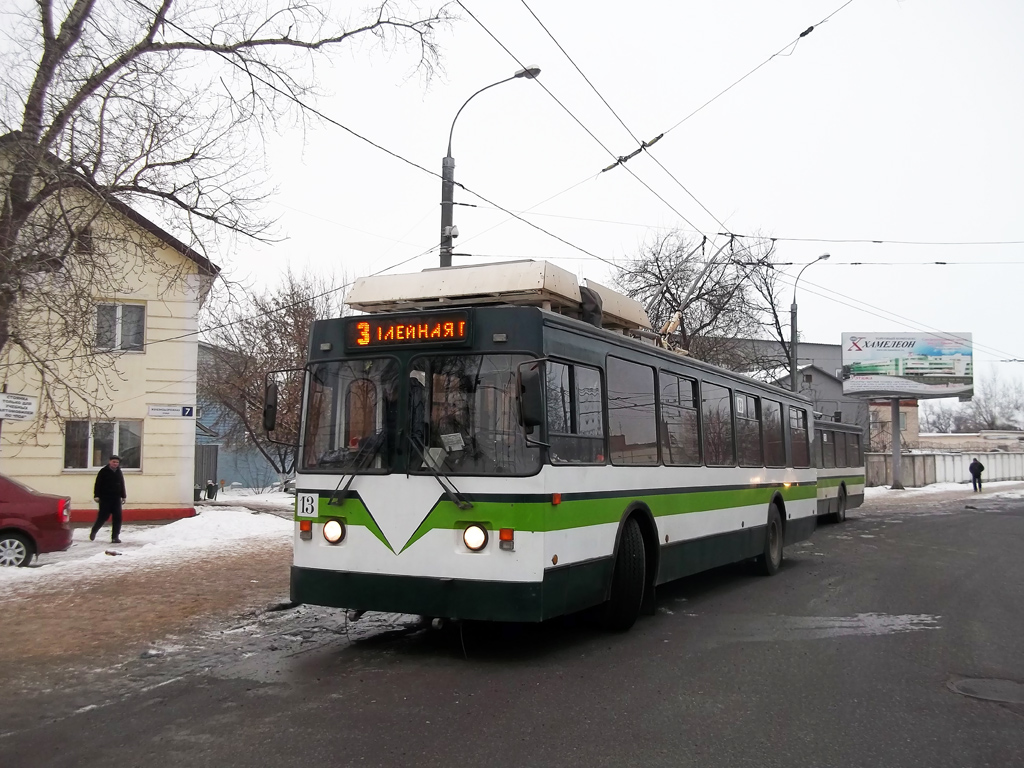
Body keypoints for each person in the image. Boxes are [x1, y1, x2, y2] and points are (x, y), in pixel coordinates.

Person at [91, 455, 127, 543]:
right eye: (114, 462)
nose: (115, 464)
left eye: (117, 462)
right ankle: (94, 531)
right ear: (109, 462)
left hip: (116, 498)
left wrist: (123, 496)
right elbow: (98, 484)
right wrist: (96, 495)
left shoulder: (119, 471)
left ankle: (115, 537)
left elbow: (122, 484)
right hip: (105, 498)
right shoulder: (103, 471)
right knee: (103, 517)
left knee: (117, 518)